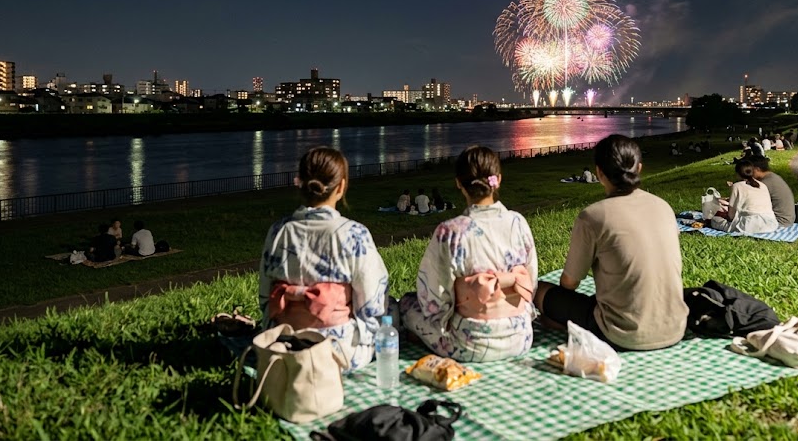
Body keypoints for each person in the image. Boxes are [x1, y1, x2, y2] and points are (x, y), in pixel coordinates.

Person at [533, 134, 687, 351]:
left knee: (540, 290)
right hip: (675, 327)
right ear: (639, 168)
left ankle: (565, 324)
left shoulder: (593, 216)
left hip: (622, 334)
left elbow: (569, 283)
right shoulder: (664, 207)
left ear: (599, 172)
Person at [401, 146, 538, 362]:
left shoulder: (450, 232)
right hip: (520, 338)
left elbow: (434, 298)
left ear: (459, 183)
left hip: (470, 344)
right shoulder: (518, 223)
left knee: (406, 305)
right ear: (498, 179)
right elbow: (531, 281)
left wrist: (449, 316)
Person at [259, 147, 389, 371]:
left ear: (300, 183)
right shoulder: (353, 234)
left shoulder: (278, 231)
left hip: (285, 345)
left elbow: (265, 296)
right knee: (393, 310)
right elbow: (372, 300)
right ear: (341, 186)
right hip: (337, 352)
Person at [709, 159, 779, 234]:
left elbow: (731, 216)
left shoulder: (736, 186)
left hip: (749, 225)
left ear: (737, 174)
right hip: (771, 224)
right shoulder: (763, 185)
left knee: (714, 220)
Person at [748, 156, 795, 227]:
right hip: (787, 220)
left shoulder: (765, 183)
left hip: (778, 222)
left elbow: (751, 204)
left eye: (749, 171)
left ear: (757, 169)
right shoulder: (774, 177)